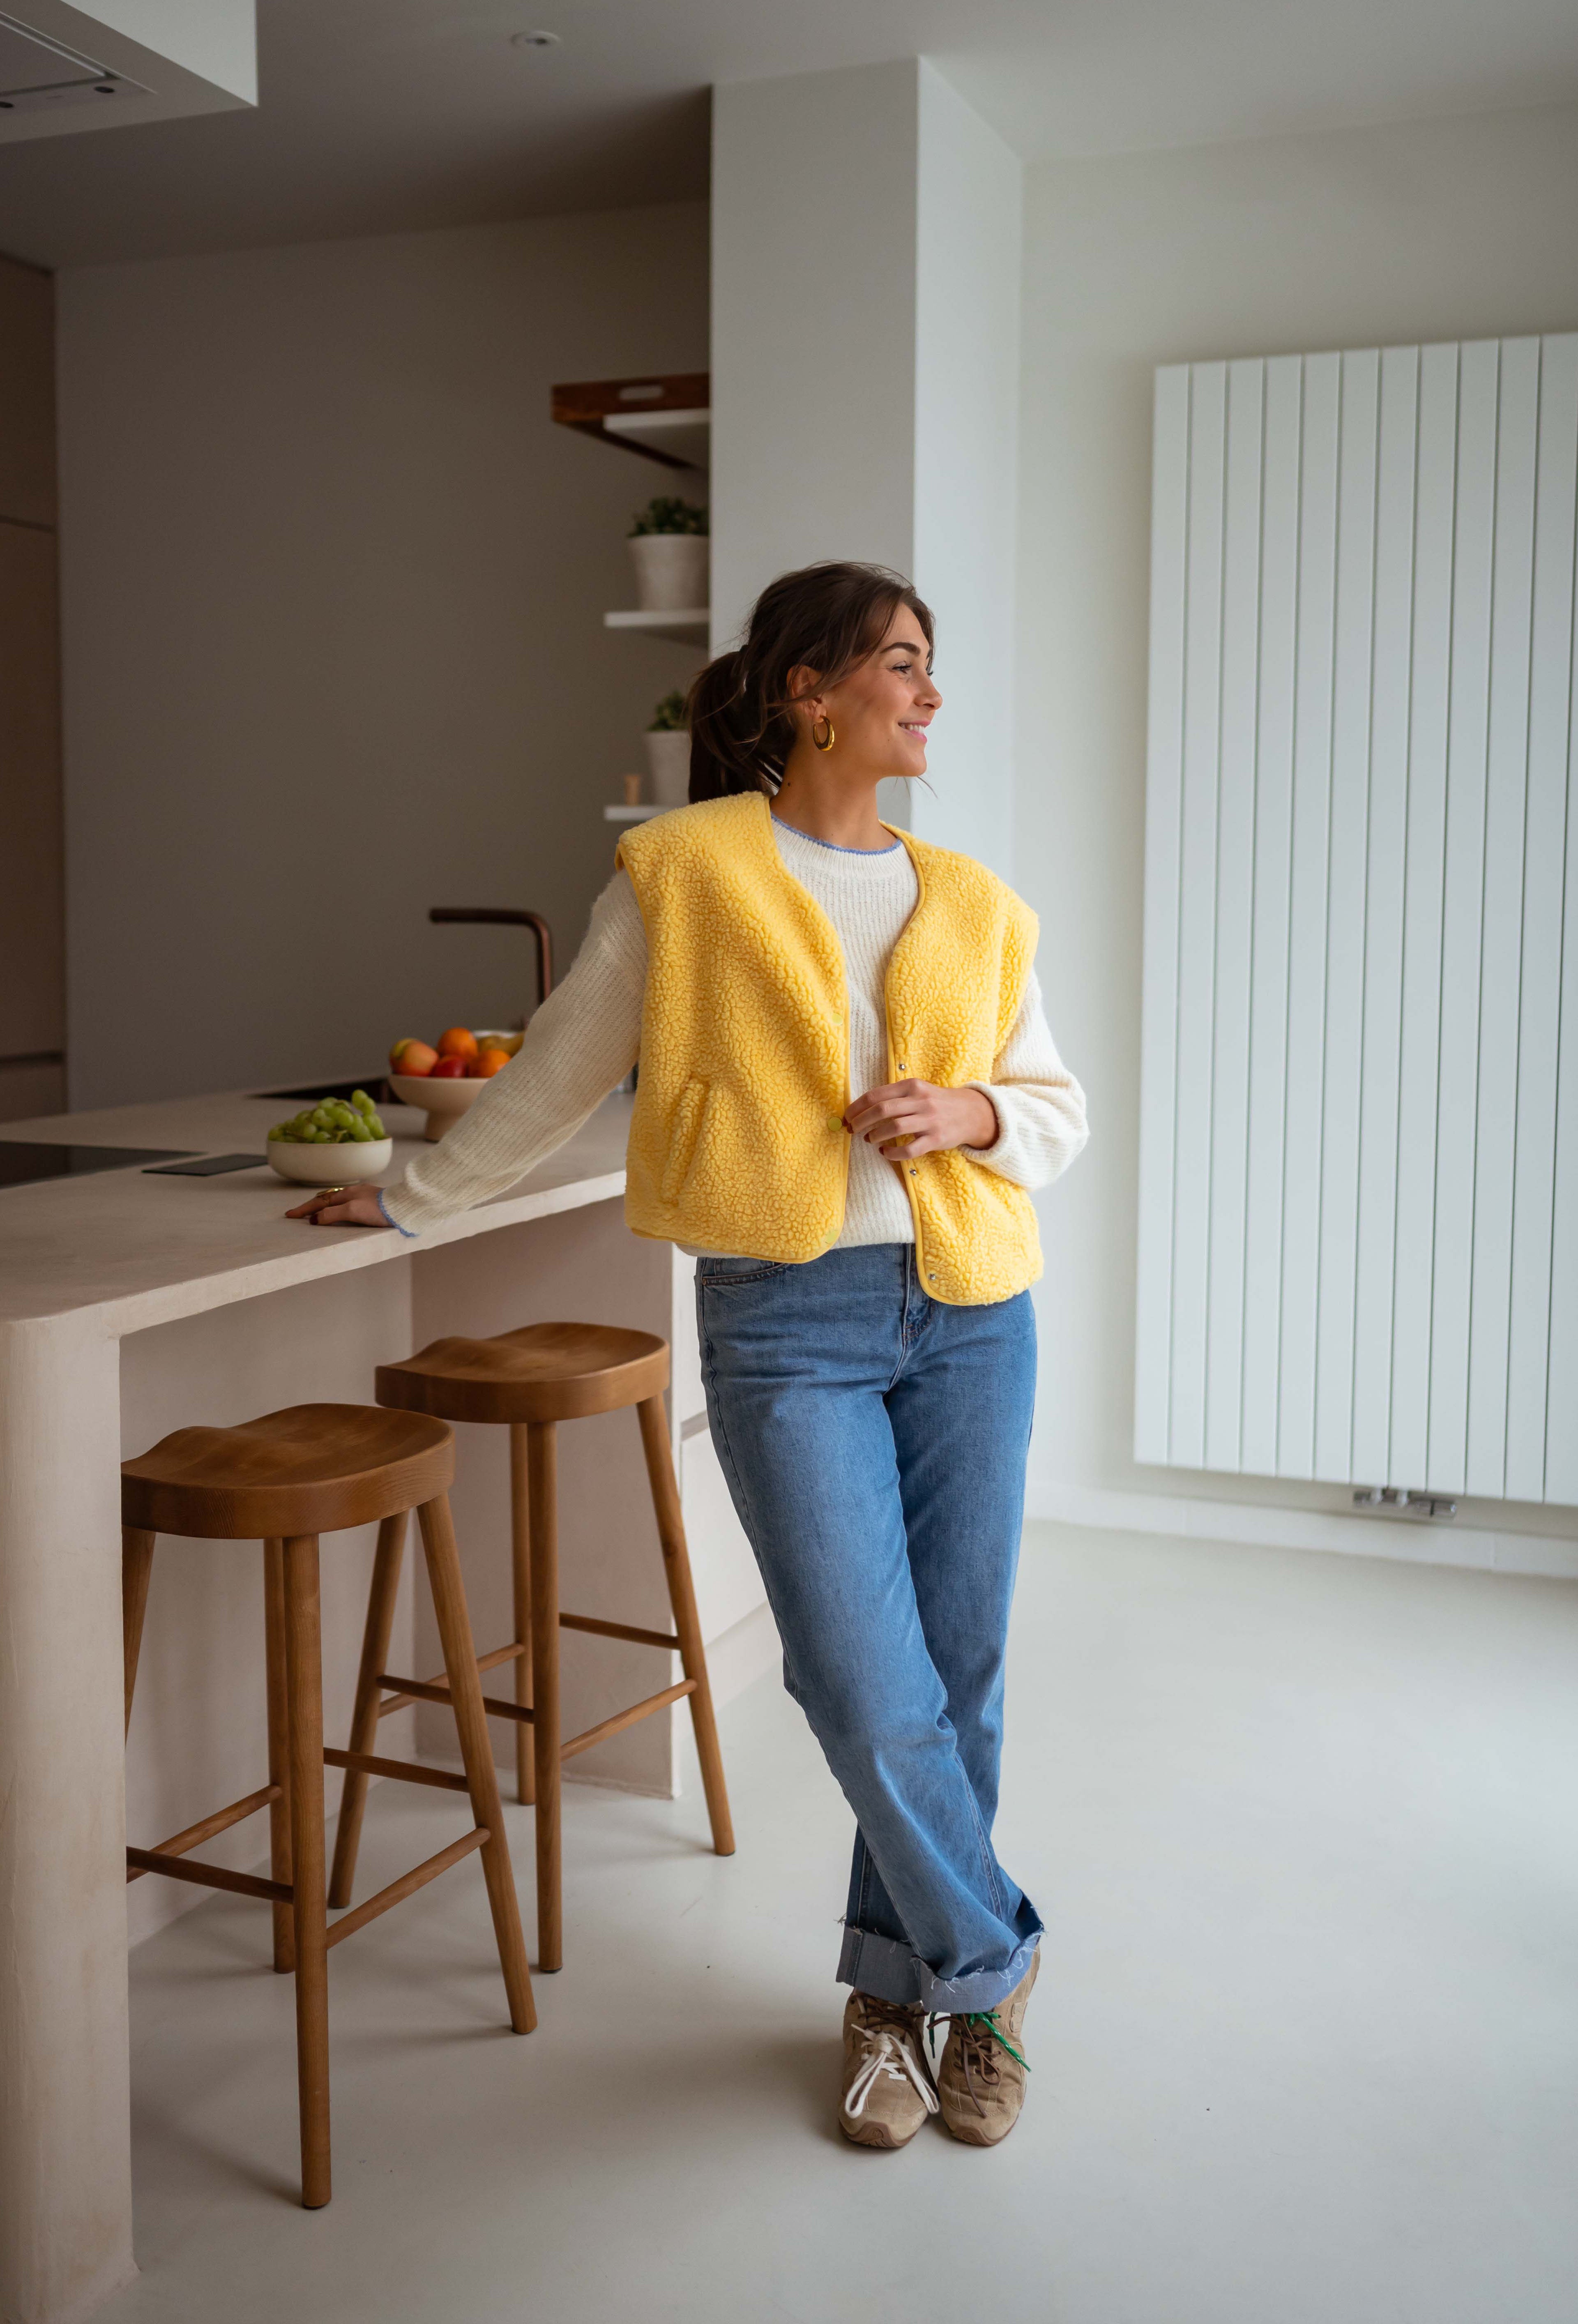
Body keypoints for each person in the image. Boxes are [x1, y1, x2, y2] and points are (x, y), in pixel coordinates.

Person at [288, 562, 1088, 2151]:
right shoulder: (685, 871)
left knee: (961, 1676)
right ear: (811, 689)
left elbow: (1054, 1109)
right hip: (788, 1315)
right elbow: (560, 1067)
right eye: (903, 666)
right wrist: (406, 1202)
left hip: (972, 1308)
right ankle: (990, 1968)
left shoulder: (982, 902)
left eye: (933, 669)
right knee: (861, 1681)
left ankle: (896, 1994)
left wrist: (970, 1111)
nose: (929, 696)